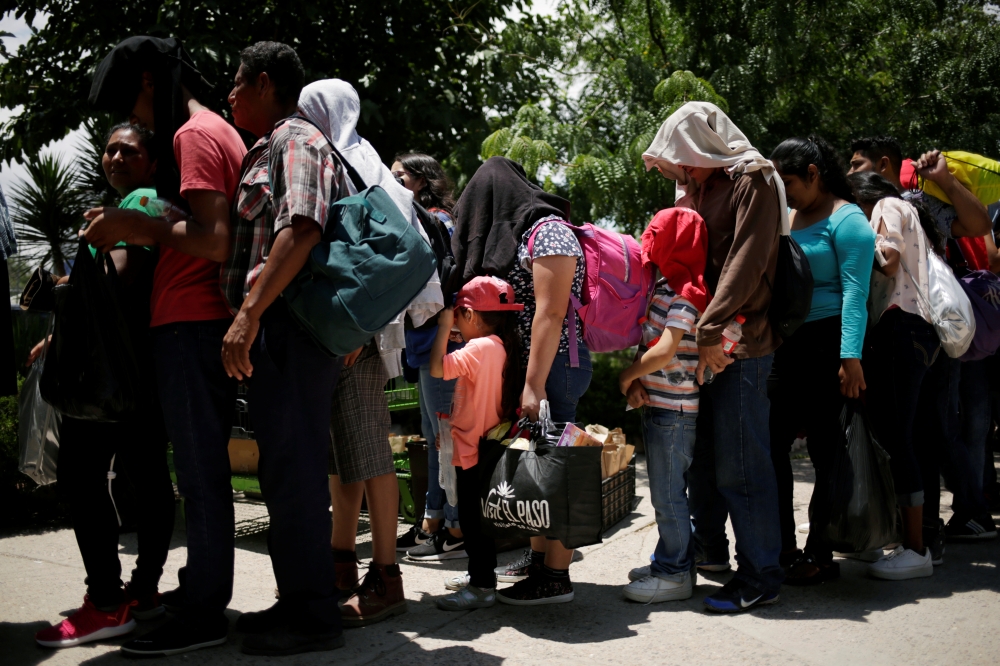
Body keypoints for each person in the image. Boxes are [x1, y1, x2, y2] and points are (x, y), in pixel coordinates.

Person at [84, 36, 246, 656]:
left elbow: (215, 240)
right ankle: (201, 587)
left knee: (202, 475)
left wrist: (135, 226)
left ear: (150, 83)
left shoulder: (194, 135)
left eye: (132, 103)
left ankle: (204, 611)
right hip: (192, 324)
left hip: (191, 324)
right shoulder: (213, 130)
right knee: (201, 470)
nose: (136, 122)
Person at [296, 78, 443, 627]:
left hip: (359, 335)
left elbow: (384, 260)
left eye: (308, 110)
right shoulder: (365, 162)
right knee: (344, 456)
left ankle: (386, 576)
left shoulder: (352, 165)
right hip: (354, 332)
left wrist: (363, 329)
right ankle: (342, 562)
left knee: (369, 453)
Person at [218, 43, 348, 656]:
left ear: (265, 83)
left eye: (238, 84)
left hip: (291, 330)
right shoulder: (286, 141)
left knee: (293, 471)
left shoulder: (294, 140)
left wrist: (249, 314)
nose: (230, 94)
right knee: (284, 468)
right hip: (289, 331)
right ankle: (300, 597)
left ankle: (314, 616)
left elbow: (301, 228)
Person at [34, 123, 175, 649]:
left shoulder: (138, 201)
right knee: (147, 477)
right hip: (143, 365)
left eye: (130, 150)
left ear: (152, 164)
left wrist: (61, 294)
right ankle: (143, 592)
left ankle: (106, 601)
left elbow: (119, 276)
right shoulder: (142, 205)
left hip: (109, 377)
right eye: (110, 149)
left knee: (81, 477)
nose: (116, 156)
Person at [641, 101, 784, 613]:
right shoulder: (703, 186)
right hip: (710, 344)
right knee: (710, 467)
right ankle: (715, 560)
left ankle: (762, 576)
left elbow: (747, 260)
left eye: (686, 159)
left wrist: (708, 328)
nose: (684, 171)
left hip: (740, 344)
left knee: (743, 467)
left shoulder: (755, 180)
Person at [450, 156, 591, 605]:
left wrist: (533, 384)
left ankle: (556, 577)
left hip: (553, 369)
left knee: (558, 467)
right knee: (533, 469)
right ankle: (539, 565)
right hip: (531, 369)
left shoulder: (549, 230)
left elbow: (550, 311)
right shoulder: (520, 234)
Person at [848, 138, 997, 547]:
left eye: (856, 165)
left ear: (883, 165)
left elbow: (979, 224)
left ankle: (940, 527)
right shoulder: (898, 206)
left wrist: (945, 180)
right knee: (928, 430)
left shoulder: (908, 203)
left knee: (927, 431)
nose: (849, 173)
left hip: (913, 324)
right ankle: (927, 531)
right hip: (928, 328)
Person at [767, 136, 875, 585]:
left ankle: (820, 550)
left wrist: (850, 356)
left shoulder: (848, 220)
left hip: (829, 343)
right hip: (786, 344)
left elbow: (856, 294)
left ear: (814, 173)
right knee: (772, 446)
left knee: (826, 453)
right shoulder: (791, 216)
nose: (784, 191)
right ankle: (783, 546)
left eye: (788, 181)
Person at [849, 171, 947, 579]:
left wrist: (854, 241)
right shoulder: (913, 214)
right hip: (920, 333)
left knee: (896, 437)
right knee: (906, 435)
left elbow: (886, 263)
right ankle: (907, 540)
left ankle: (914, 548)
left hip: (899, 329)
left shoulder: (888, 207)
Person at [617, 207, 712, 603]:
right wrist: (639, 384)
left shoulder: (687, 292)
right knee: (667, 490)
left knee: (668, 494)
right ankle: (671, 561)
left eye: (655, 236)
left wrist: (626, 376)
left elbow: (666, 349)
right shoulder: (665, 285)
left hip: (674, 413)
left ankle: (674, 573)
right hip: (661, 406)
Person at [432, 276, 524, 611]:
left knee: (473, 521)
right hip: (487, 447)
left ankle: (482, 586)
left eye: (457, 314)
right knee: (477, 520)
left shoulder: (477, 349)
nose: (454, 320)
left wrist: (442, 329)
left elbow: (436, 368)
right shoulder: (499, 346)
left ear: (470, 315)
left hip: (471, 449)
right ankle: (477, 575)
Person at [391, 153, 464, 558]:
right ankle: (432, 520)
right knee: (435, 436)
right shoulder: (426, 220)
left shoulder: (437, 221)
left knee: (444, 437)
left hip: (440, 343)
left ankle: (452, 528)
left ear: (421, 180)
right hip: (424, 342)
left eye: (399, 175)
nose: (392, 181)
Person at [392, 153, 457, 232]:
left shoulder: (439, 219)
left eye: (397, 175)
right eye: (390, 175)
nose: (392, 180)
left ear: (421, 182)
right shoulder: (402, 218)